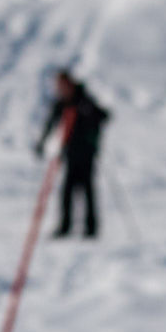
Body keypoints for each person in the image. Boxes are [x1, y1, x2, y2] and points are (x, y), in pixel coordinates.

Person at [38, 68, 106, 241]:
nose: (60, 89)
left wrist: (88, 112)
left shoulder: (83, 99)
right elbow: (51, 123)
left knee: (87, 190)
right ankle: (65, 226)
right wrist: (42, 142)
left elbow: (104, 116)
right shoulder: (62, 102)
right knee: (67, 191)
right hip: (70, 153)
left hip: (87, 153)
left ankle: (91, 228)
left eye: (62, 85)